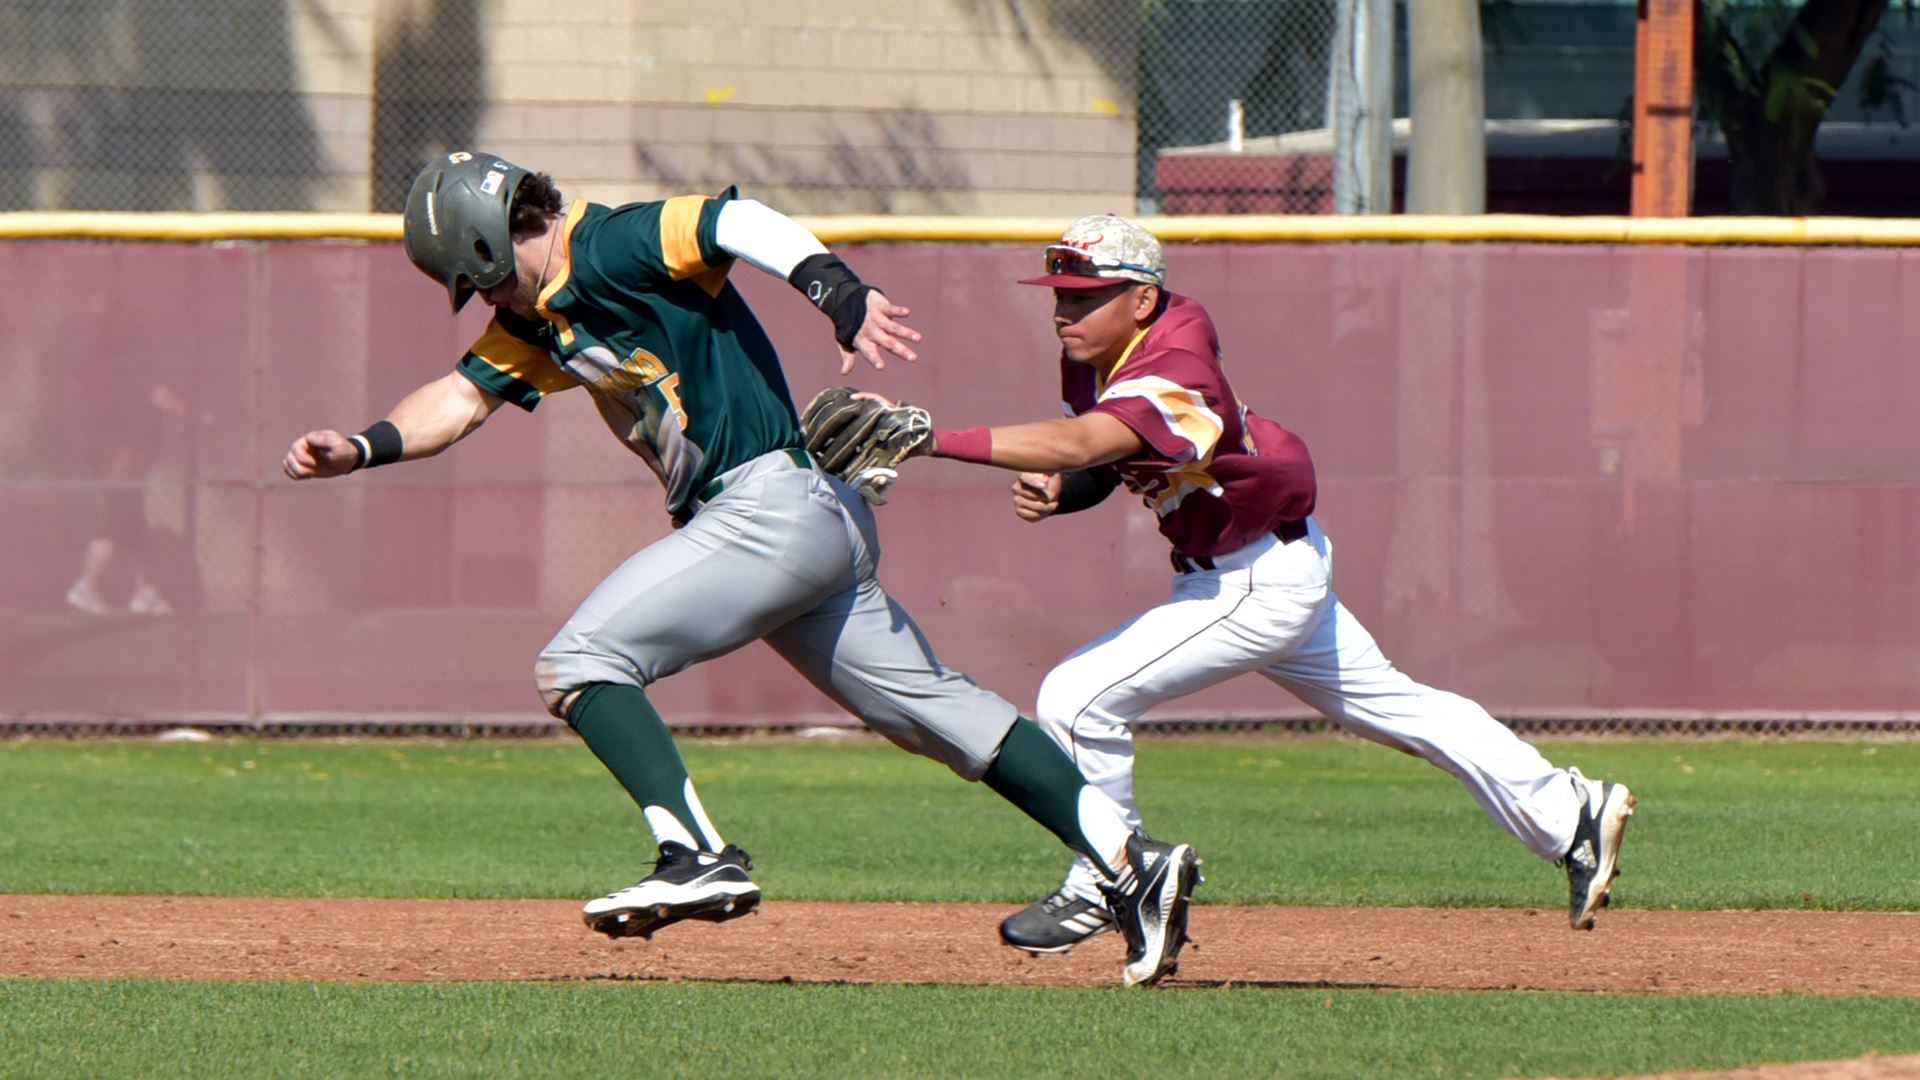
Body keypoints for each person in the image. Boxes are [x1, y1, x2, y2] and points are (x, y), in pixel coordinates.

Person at [279, 154, 1198, 987]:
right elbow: (458, 400)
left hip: (766, 506)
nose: (477, 296)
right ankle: (1131, 858)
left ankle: (694, 854)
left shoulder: (607, 241)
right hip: (808, 521)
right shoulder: (542, 316)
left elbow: (735, 220)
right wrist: (361, 447)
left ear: (482, 242)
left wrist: (834, 289)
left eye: (470, 275)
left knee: (581, 662)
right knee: (943, 718)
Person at [859, 212, 1636, 954]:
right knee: (1402, 709)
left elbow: (1079, 441)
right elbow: (1100, 457)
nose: (1065, 310)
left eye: (1086, 296)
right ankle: (1569, 810)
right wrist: (1067, 491)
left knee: (1077, 696)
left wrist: (933, 437)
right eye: (1060, 293)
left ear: (1140, 299)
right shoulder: (1101, 354)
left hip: (1253, 582)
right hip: (1261, 565)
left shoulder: (1176, 369)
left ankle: (1111, 876)